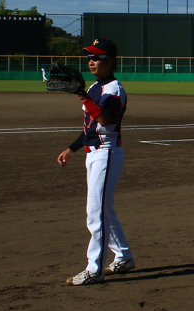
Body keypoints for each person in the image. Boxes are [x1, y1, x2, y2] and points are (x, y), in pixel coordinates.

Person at [55, 38, 135, 285]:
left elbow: (106, 119)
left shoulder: (113, 89)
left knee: (95, 212)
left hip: (107, 154)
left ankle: (95, 269)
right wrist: (73, 148)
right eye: (89, 57)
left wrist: (81, 94)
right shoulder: (94, 88)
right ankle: (123, 258)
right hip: (95, 153)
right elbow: (90, 126)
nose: (91, 61)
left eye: (96, 57)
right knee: (103, 209)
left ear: (110, 60)